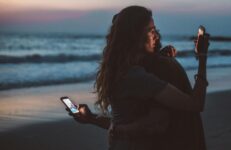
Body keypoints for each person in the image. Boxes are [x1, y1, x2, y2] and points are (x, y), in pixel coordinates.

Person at [66, 5, 209, 150]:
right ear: (135, 36)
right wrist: (202, 58)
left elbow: (122, 123)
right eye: (151, 31)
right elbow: (195, 104)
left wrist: (91, 119)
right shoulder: (137, 77)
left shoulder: (119, 71)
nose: (156, 36)